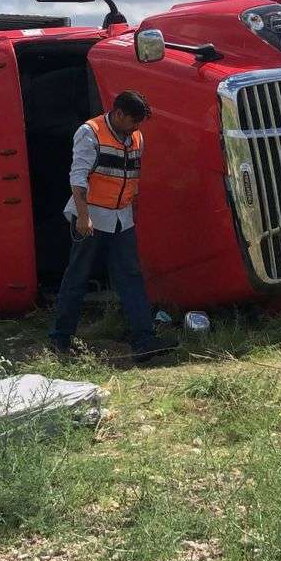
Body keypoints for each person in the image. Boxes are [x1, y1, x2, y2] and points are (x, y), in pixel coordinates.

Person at [49, 90, 176, 363]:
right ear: (118, 114)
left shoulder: (136, 137)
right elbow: (78, 177)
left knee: (131, 277)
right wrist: (83, 217)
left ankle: (145, 340)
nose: (136, 128)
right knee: (77, 277)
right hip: (92, 215)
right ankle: (60, 339)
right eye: (133, 122)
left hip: (122, 218)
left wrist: (134, 211)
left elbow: (132, 178)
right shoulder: (89, 132)